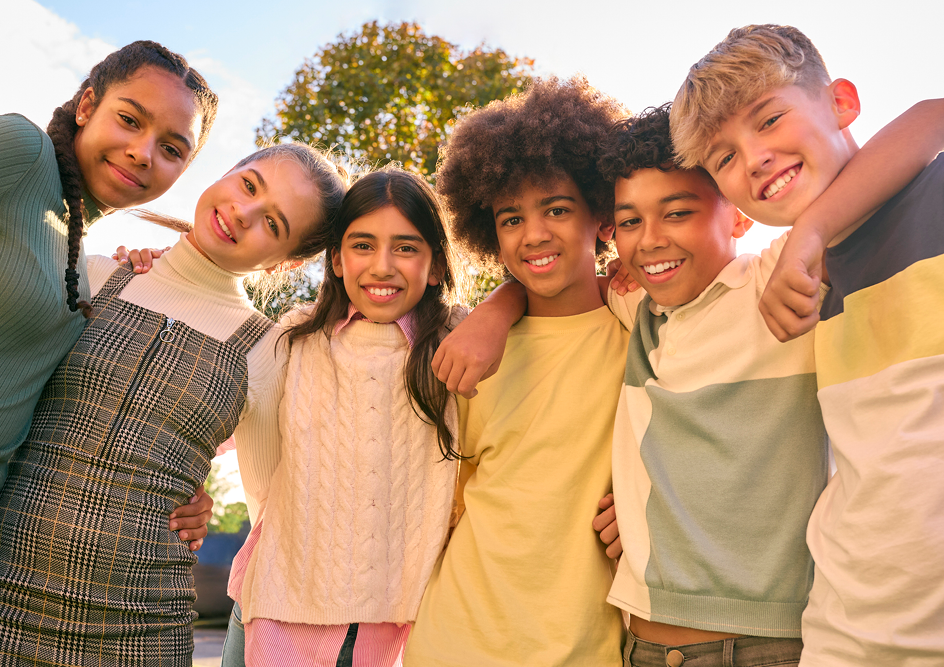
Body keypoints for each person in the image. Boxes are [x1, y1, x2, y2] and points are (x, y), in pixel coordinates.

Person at [0, 142, 349, 666]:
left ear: (288, 260)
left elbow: (269, 514)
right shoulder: (92, 273)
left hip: (143, 623)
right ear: (227, 172)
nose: (243, 212)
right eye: (249, 185)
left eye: (273, 225)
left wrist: (190, 491)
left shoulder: (267, 350)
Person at [669, 24, 944, 665]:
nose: (755, 157)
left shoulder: (930, 199)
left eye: (769, 119)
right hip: (850, 632)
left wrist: (813, 229)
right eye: (725, 157)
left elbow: (934, 116)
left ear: (842, 104)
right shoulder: (777, 277)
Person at [0, 40, 218, 663]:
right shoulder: (19, 152)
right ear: (87, 104)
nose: (142, 152)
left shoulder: (78, 246)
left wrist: (173, 484)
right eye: (129, 118)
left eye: (172, 149)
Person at [403, 76, 640, 667]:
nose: (533, 234)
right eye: (510, 219)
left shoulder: (640, 331)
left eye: (557, 209)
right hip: (455, 640)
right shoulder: (469, 351)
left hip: (586, 645)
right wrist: (498, 308)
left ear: (602, 219)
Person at [596, 104, 826, 667]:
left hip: (765, 645)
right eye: (629, 222)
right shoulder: (639, 308)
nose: (649, 241)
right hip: (642, 644)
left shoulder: (777, 281)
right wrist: (495, 310)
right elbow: (560, 282)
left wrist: (812, 232)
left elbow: (912, 141)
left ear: (739, 215)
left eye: (677, 213)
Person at [224, 167, 467, 667]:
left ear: (437, 265)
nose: (382, 266)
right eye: (362, 245)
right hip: (273, 605)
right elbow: (205, 414)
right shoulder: (294, 338)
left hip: (389, 619)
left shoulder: (459, 340)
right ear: (335, 259)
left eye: (406, 247)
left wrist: (503, 306)